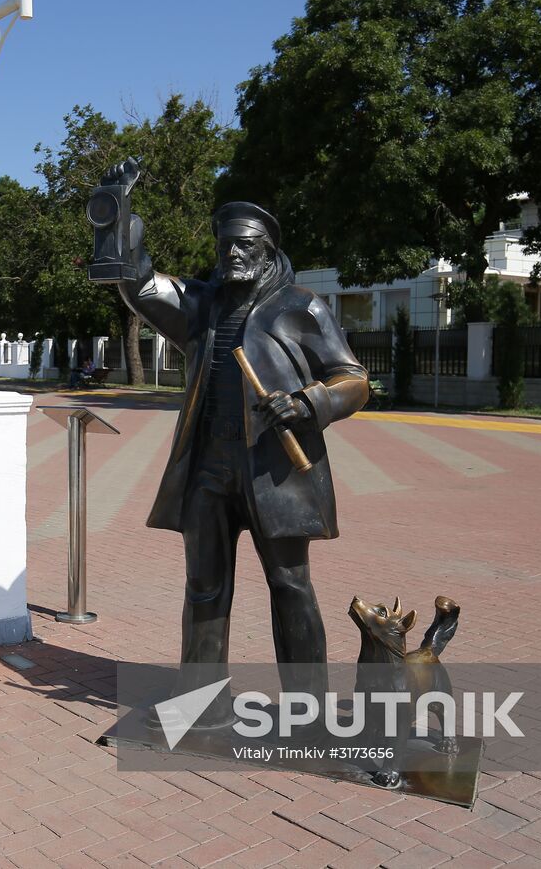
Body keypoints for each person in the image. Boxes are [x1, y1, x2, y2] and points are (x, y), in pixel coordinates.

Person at [98, 159, 368, 723]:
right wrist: (117, 216)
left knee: (290, 585)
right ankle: (201, 700)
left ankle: (308, 708)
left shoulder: (301, 306)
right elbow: (141, 284)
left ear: (268, 250)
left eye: (244, 247)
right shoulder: (203, 304)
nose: (232, 257)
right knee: (204, 585)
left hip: (275, 471)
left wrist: (307, 403)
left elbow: (353, 379)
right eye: (225, 247)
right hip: (209, 470)